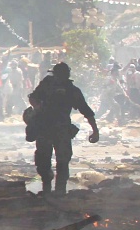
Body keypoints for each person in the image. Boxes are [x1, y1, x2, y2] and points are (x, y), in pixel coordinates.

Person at [25, 62, 99, 195]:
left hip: (60, 129)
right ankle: (47, 188)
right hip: (46, 128)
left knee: (62, 161)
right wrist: (38, 108)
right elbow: (33, 98)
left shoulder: (72, 91)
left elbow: (86, 111)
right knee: (43, 160)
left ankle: (60, 191)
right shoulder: (47, 84)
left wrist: (95, 130)